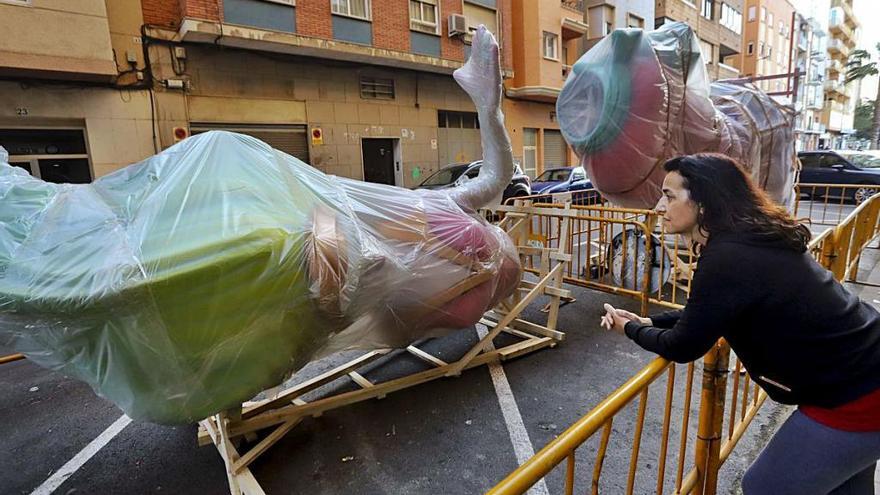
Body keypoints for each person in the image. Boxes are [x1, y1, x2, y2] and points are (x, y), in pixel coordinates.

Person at [600, 153, 880, 494]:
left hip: (857, 394)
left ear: (703, 201)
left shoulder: (727, 255)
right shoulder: (752, 236)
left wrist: (628, 328)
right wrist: (648, 319)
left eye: (669, 195)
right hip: (863, 371)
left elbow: (683, 345)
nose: (659, 206)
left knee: (764, 487)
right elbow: (711, 309)